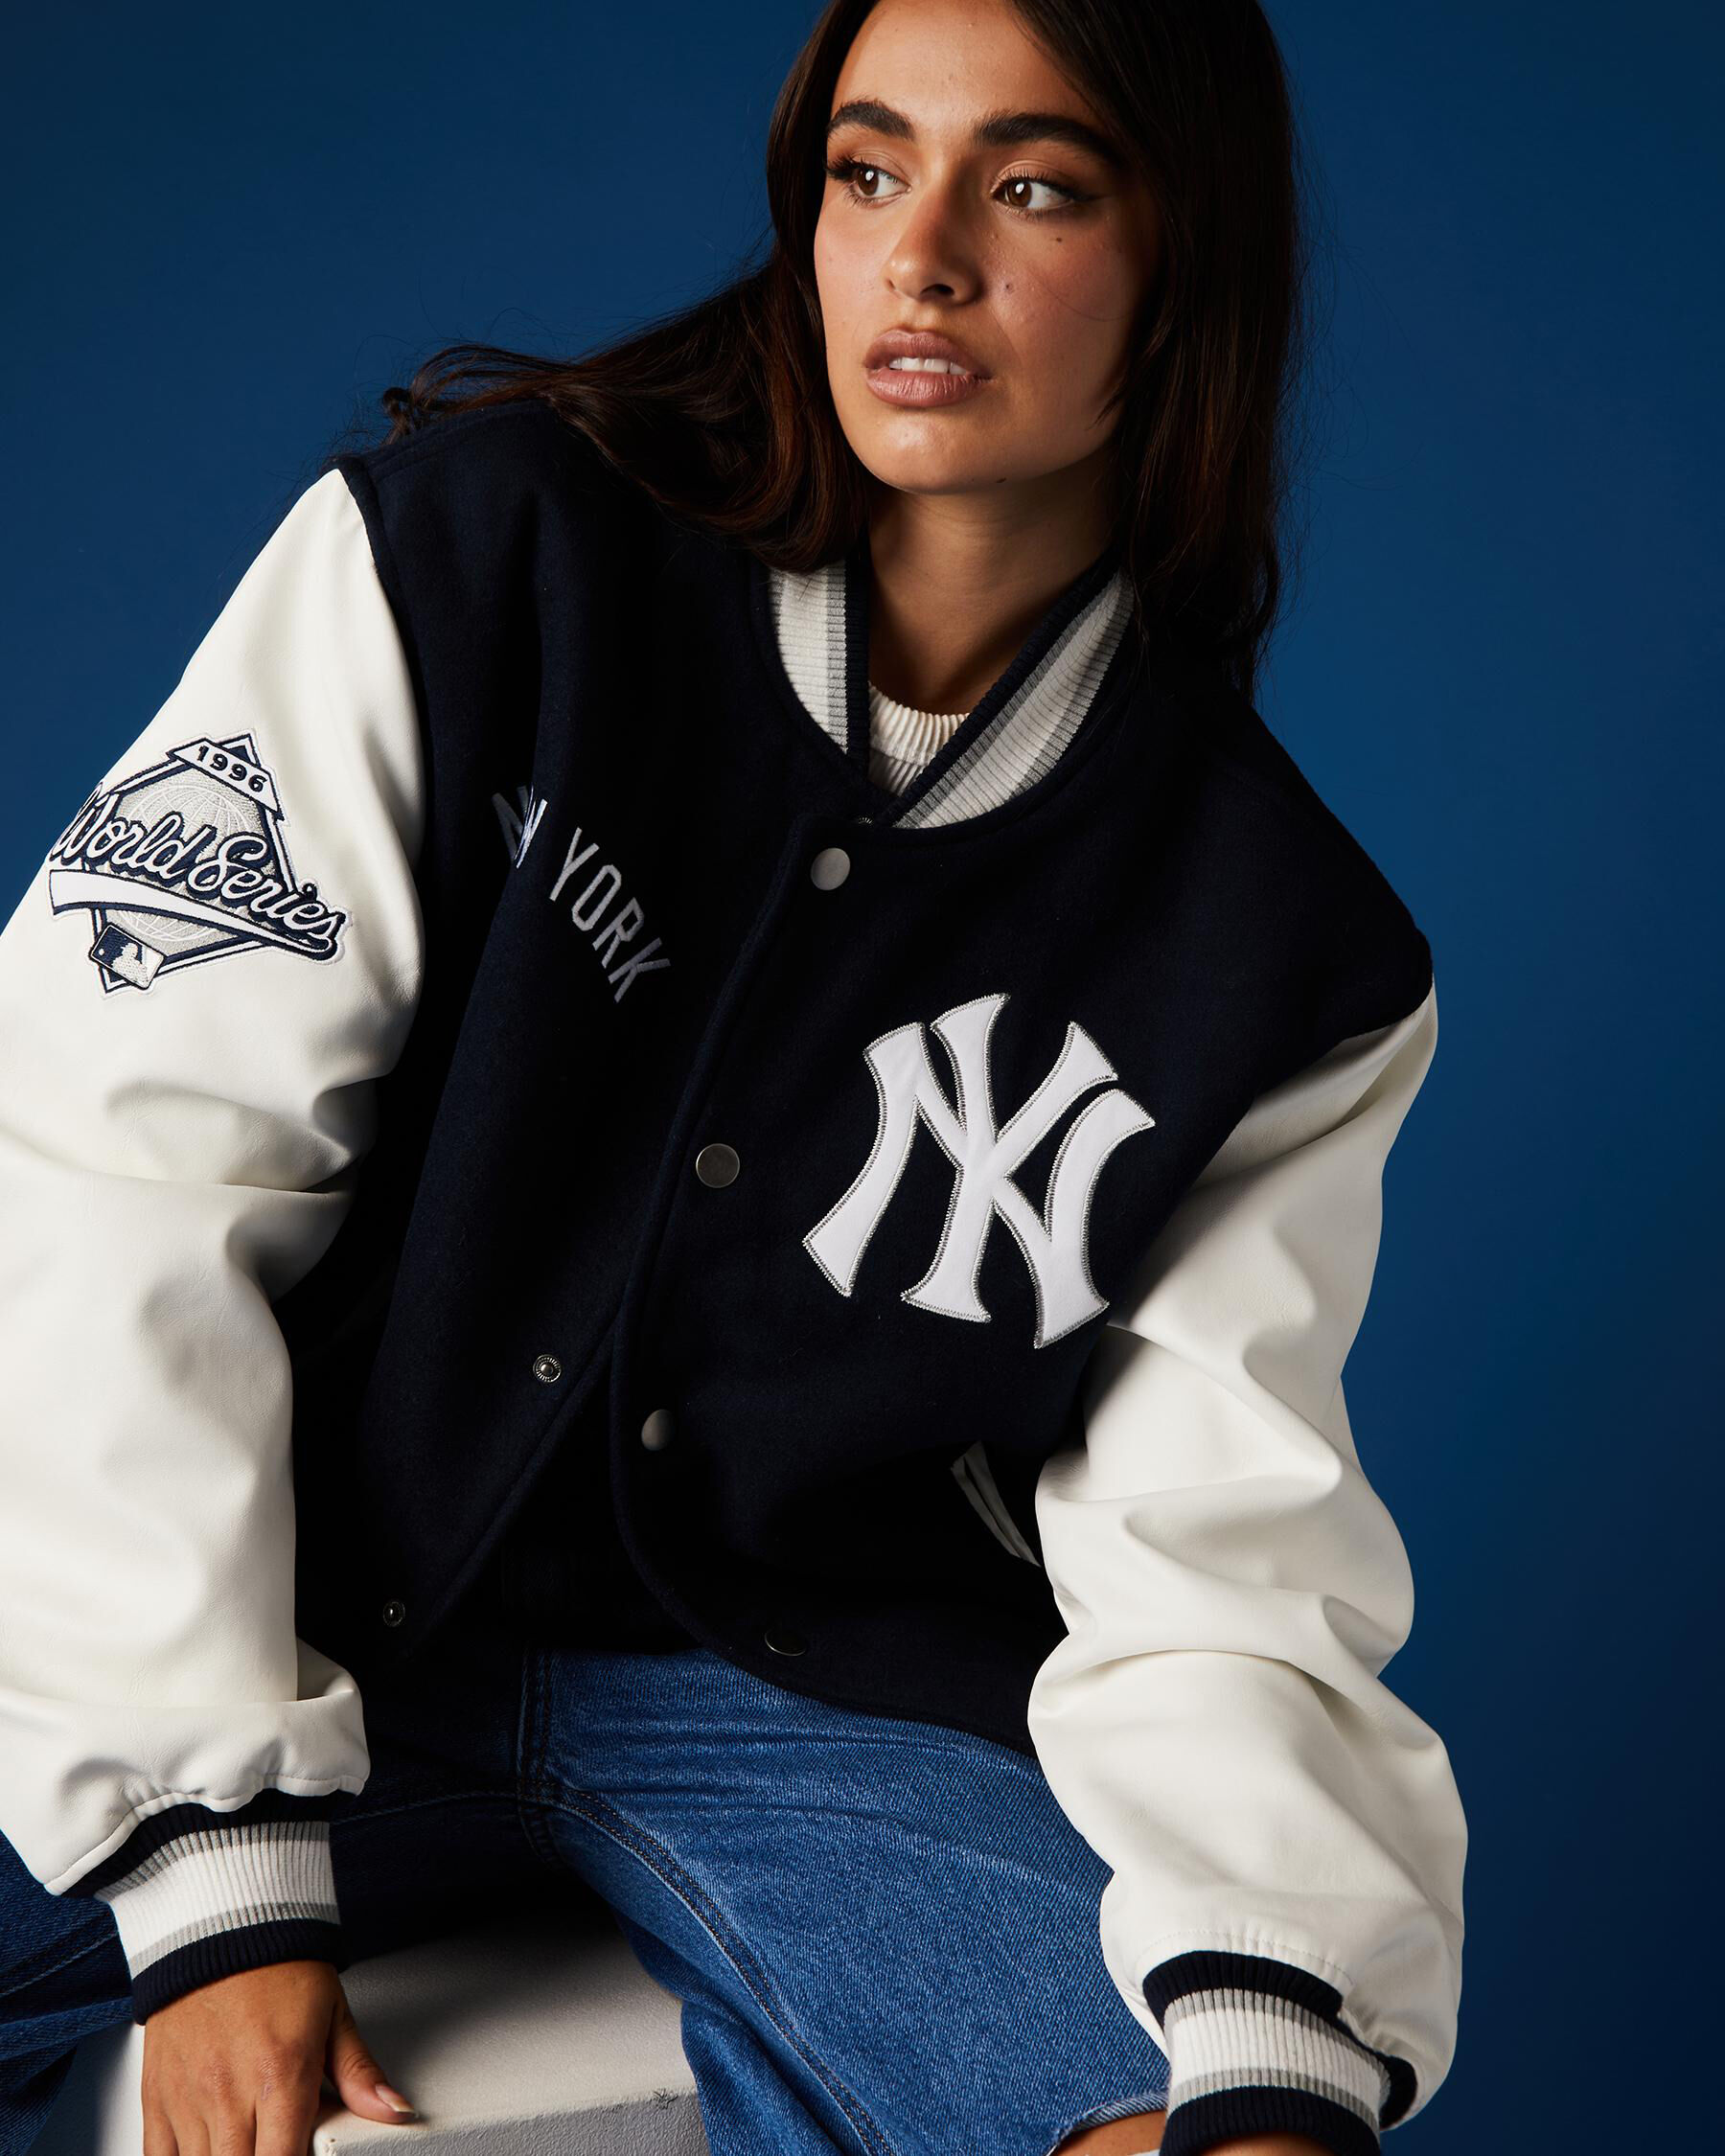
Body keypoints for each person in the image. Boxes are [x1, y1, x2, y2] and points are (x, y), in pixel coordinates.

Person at [0, 2, 1467, 2153]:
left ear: (1187, 266)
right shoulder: (475, 559)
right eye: (869, 171)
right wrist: (209, 1862)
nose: (922, 258)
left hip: (805, 1719)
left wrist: (1273, 2030)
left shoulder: (1277, 944)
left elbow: (1219, 1539)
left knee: (1175, 2123)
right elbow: (113, 1163)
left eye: (1032, 186)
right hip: (280, 1598)